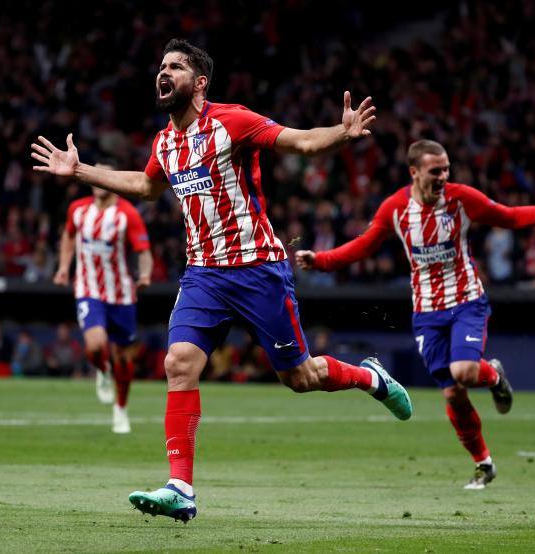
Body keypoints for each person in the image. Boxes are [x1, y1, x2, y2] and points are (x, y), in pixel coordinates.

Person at [32, 38, 412, 522]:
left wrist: (341, 133)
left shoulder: (232, 120)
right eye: (161, 66)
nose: (163, 72)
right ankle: (181, 488)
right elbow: (147, 187)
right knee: (179, 362)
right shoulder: (164, 141)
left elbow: (300, 140)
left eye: (175, 66)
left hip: (258, 269)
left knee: (299, 378)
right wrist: (81, 170)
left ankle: (369, 377)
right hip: (203, 276)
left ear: (199, 82)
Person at [296, 139, 535, 489]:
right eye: (436, 170)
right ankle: (484, 463)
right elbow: (363, 245)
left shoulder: (461, 198)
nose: (444, 176)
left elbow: (508, 216)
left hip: (466, 301)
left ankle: (492, 375)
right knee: (452, 394)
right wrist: (321, 261)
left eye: (446, 168)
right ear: (414, 172)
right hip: (427, 312)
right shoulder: (395, 209)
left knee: (462, 370)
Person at [53, 163, 153, 434]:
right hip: (88, 289)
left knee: (123, 356)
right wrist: (63, 267)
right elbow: (68, 237)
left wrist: (145, 274)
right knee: (96, 346)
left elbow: (143, 250)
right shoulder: (78, 210)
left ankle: (121, 408)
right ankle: (101, 369)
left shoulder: (127, 214)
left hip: (121, 294)